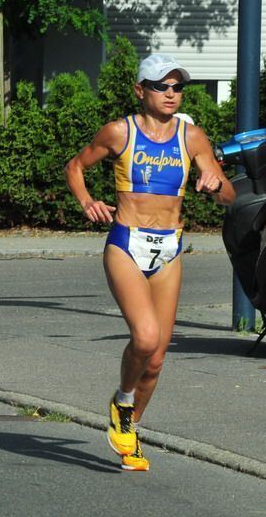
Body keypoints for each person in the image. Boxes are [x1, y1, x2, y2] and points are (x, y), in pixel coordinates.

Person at [65, 53, 235, 472]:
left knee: (157, 358)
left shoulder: (192, 136)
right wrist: (87, 202)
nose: (172, 94)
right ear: (141, 90)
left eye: (178, 87)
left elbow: (229, 195)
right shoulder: (119, 132)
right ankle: (122, 401)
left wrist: (214, 186)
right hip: (126, 243)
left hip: (170, 248)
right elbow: (75, 166)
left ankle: (129, 430)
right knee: (144, 337)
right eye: (162, 86)